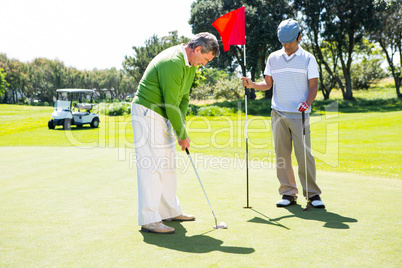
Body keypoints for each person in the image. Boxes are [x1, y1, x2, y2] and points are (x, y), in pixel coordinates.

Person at [131, 33, 220, 234]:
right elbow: (170, 102)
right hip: (147, 112)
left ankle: (169, 210)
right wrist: (181, 133)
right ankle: (149, 219)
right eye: (205, 59)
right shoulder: (174, 61)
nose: (204, 64)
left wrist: (181, 127)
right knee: (152, 165)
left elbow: (184, 98)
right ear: (198, 49)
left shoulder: (191, 67)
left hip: (163, 115)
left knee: (168, 164)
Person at [241, 19, 325, 209]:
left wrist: (307, 102)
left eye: (290, 43)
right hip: (278, 113)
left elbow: (313, 86)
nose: (286, 47)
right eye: (284, 43)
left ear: (299, 38)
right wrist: (252, 84)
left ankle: (312, 194)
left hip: (300, 114)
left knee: (304, 156)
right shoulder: (273, 58)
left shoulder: (308, 59)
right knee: (282, 156)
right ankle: (288, 193)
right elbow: (268, 84)